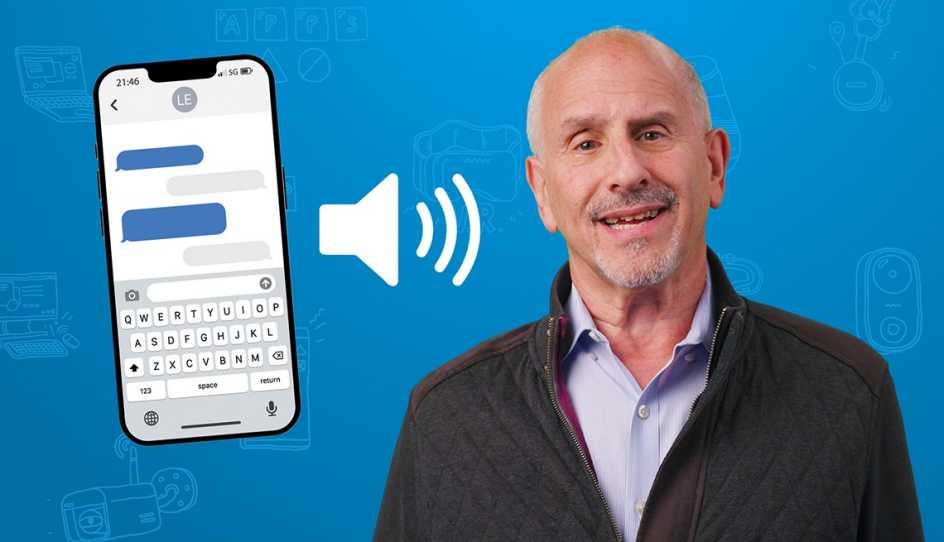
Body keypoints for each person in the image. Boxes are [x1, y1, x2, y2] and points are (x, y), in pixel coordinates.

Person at [374, 27, 923, 541]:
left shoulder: (849, 388)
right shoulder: (445, 416)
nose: (627, 170)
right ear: (542, 192)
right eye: (585, 143)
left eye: (652, 133)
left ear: (714, 165)